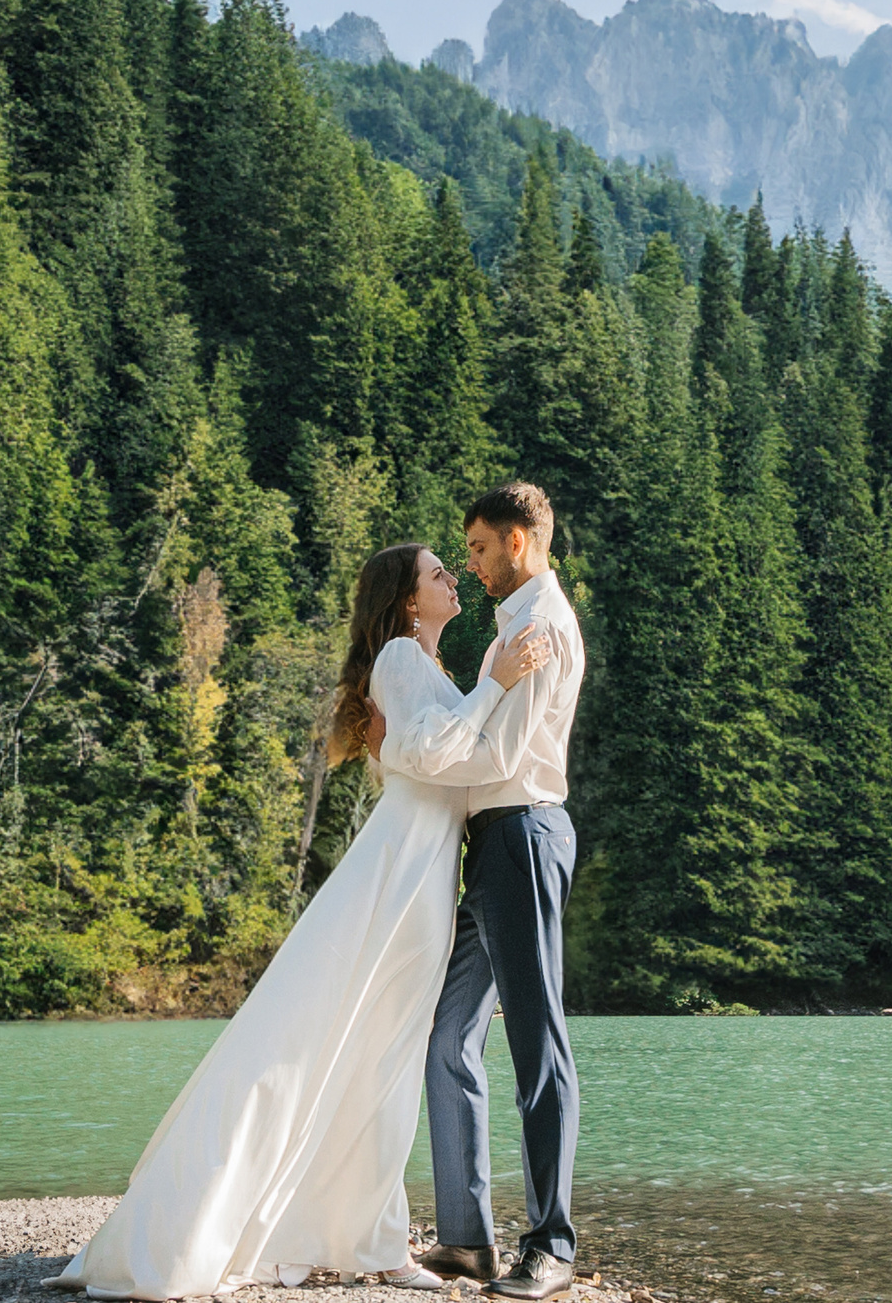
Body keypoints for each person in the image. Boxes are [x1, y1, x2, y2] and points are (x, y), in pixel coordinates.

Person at [46, 543, 552, 1300]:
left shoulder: (427, 668)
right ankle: (370, 1246)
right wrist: (496, 685)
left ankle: (364, 1235)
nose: (454, 578)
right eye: (439, 573)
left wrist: (496, 698)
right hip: (401, 877)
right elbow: (423, 751)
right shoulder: (402, 661)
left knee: (375, 1057)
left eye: (454, 567)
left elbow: (452, 754)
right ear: (410, 601)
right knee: (362, 1052)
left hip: (418, 874)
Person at [368, 482, 587, 1302]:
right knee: (450, 1032)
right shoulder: (510, 626)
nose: (471, 562)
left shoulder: (535, 627)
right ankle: (467, 1239)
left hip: (523, 835)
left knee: (538, 1043)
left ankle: (552, 1245)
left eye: (481, 549)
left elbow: (497, 759)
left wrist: (412, 756)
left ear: (520, 543)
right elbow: (480, 742)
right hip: (493, 845)